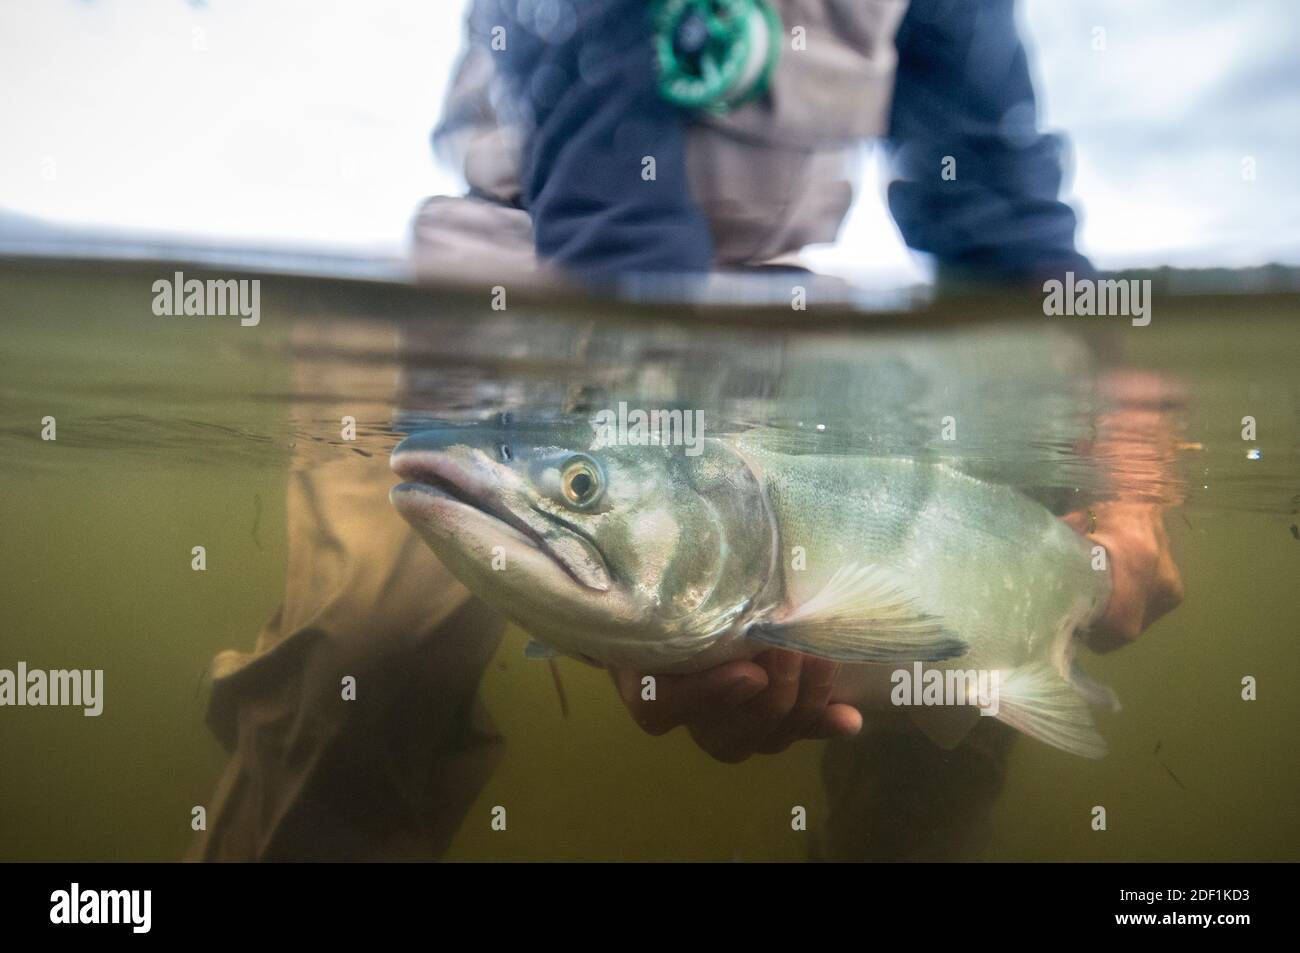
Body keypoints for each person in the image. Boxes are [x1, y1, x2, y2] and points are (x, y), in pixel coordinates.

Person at [192, 0, 1183, 861]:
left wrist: (1126, 482)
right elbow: (614, 179)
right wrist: (657, 631)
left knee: (956, 672)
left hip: (770, 299)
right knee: (367, 660)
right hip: (495, 280)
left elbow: (1004, 221)